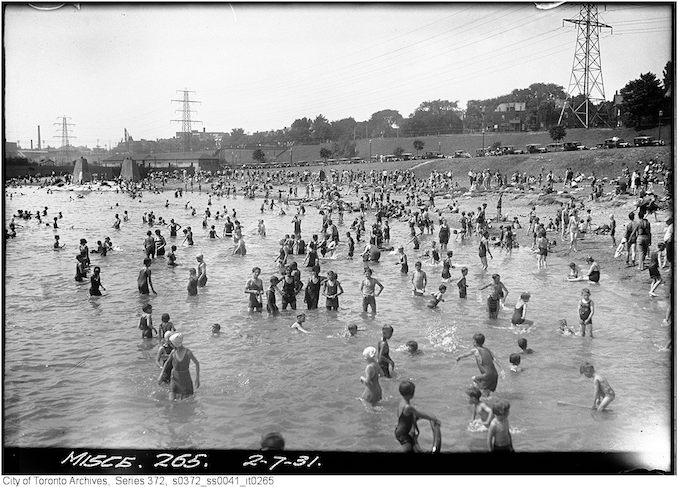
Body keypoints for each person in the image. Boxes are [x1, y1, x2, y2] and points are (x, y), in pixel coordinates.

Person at [394, 380, 441, 453]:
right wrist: (433, 418)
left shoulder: (401, 402)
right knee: (408, 449)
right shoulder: (408, 407)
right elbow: (419, 414)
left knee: (412, 448)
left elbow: (402, 417)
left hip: (401, 431)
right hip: (403, 434)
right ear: (412, 393)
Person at [157, 333, 200, 401]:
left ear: (175, 344)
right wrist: (161, 375)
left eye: (171, 344)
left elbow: (197, 363)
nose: (170, 345)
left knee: (188, 401)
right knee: (171, 400)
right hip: (175, 378)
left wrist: (197, 379)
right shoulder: (173, 352)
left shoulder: (188, 352)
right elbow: (167, 363)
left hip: (185, 379)